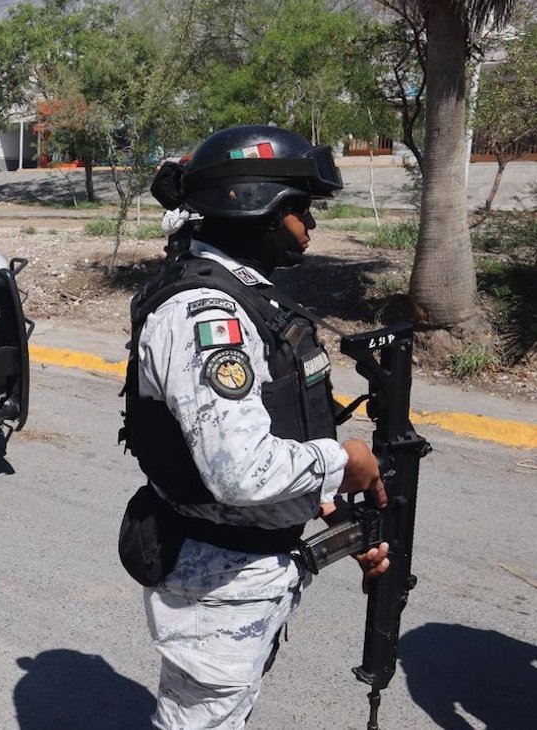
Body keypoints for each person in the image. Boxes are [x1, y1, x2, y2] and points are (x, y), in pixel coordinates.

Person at [120, 125, 390, 729]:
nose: (309, 226)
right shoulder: (207, 315)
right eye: (300, 210)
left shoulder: (248, 300)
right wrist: (346, 461)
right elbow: (241, 471)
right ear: (256, 207)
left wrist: (340, 522)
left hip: (251, 570)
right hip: (219, 583)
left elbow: (276, 437)